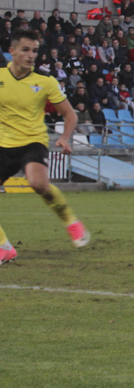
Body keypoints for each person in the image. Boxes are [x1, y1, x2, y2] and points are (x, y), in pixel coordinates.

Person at [0, 29, 90, 267]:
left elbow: (70, 115)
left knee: (38, 184)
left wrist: (65, 137)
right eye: (26, 50)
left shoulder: (46, 81)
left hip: (32, 141)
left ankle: (70, 221)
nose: (31, 55)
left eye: (35, 51)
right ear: (12, 52)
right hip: (3, 143)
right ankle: (4, 248)